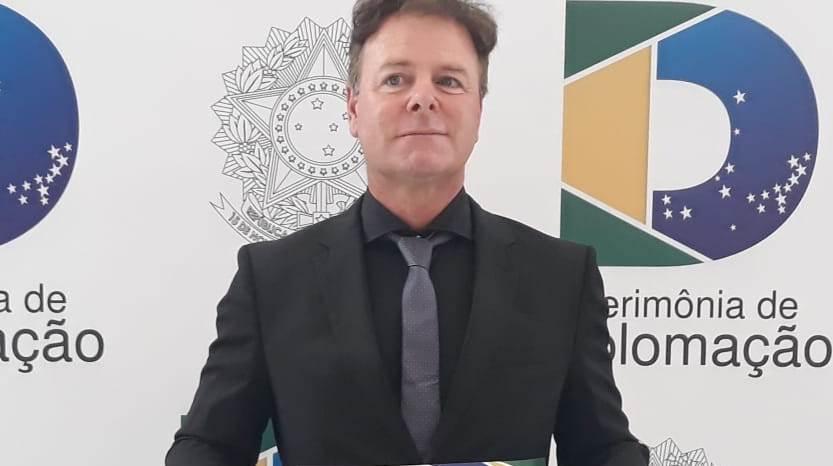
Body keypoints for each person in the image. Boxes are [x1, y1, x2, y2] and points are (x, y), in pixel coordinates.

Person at [166, 1, 649, 465]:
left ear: (479, 111)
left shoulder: (560, 277)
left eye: (449, 81)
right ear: (353, 109)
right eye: (395, 79)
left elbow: (604, 449)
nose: (423, 98)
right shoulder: (271, 277)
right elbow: (207, 446)